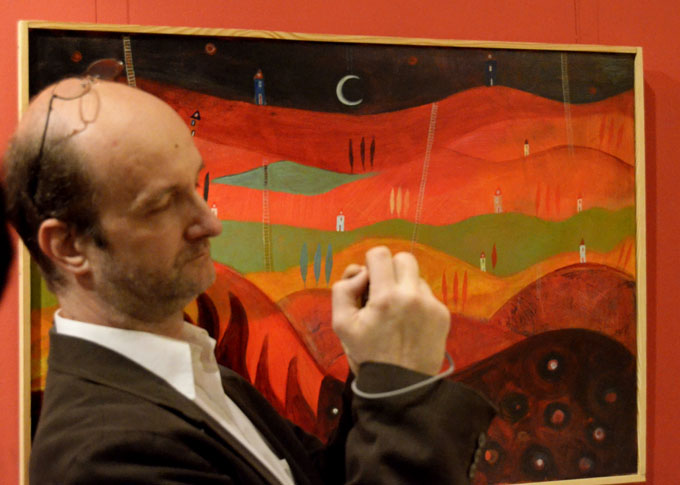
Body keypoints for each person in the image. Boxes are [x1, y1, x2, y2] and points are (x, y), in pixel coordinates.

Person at [4, 77, 495, 484]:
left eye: (195, 185)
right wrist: (401, 387)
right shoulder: (104, 460)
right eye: (161, 204)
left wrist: (373, 372)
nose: (210, 222)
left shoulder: (197, 373)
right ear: (68, 247)